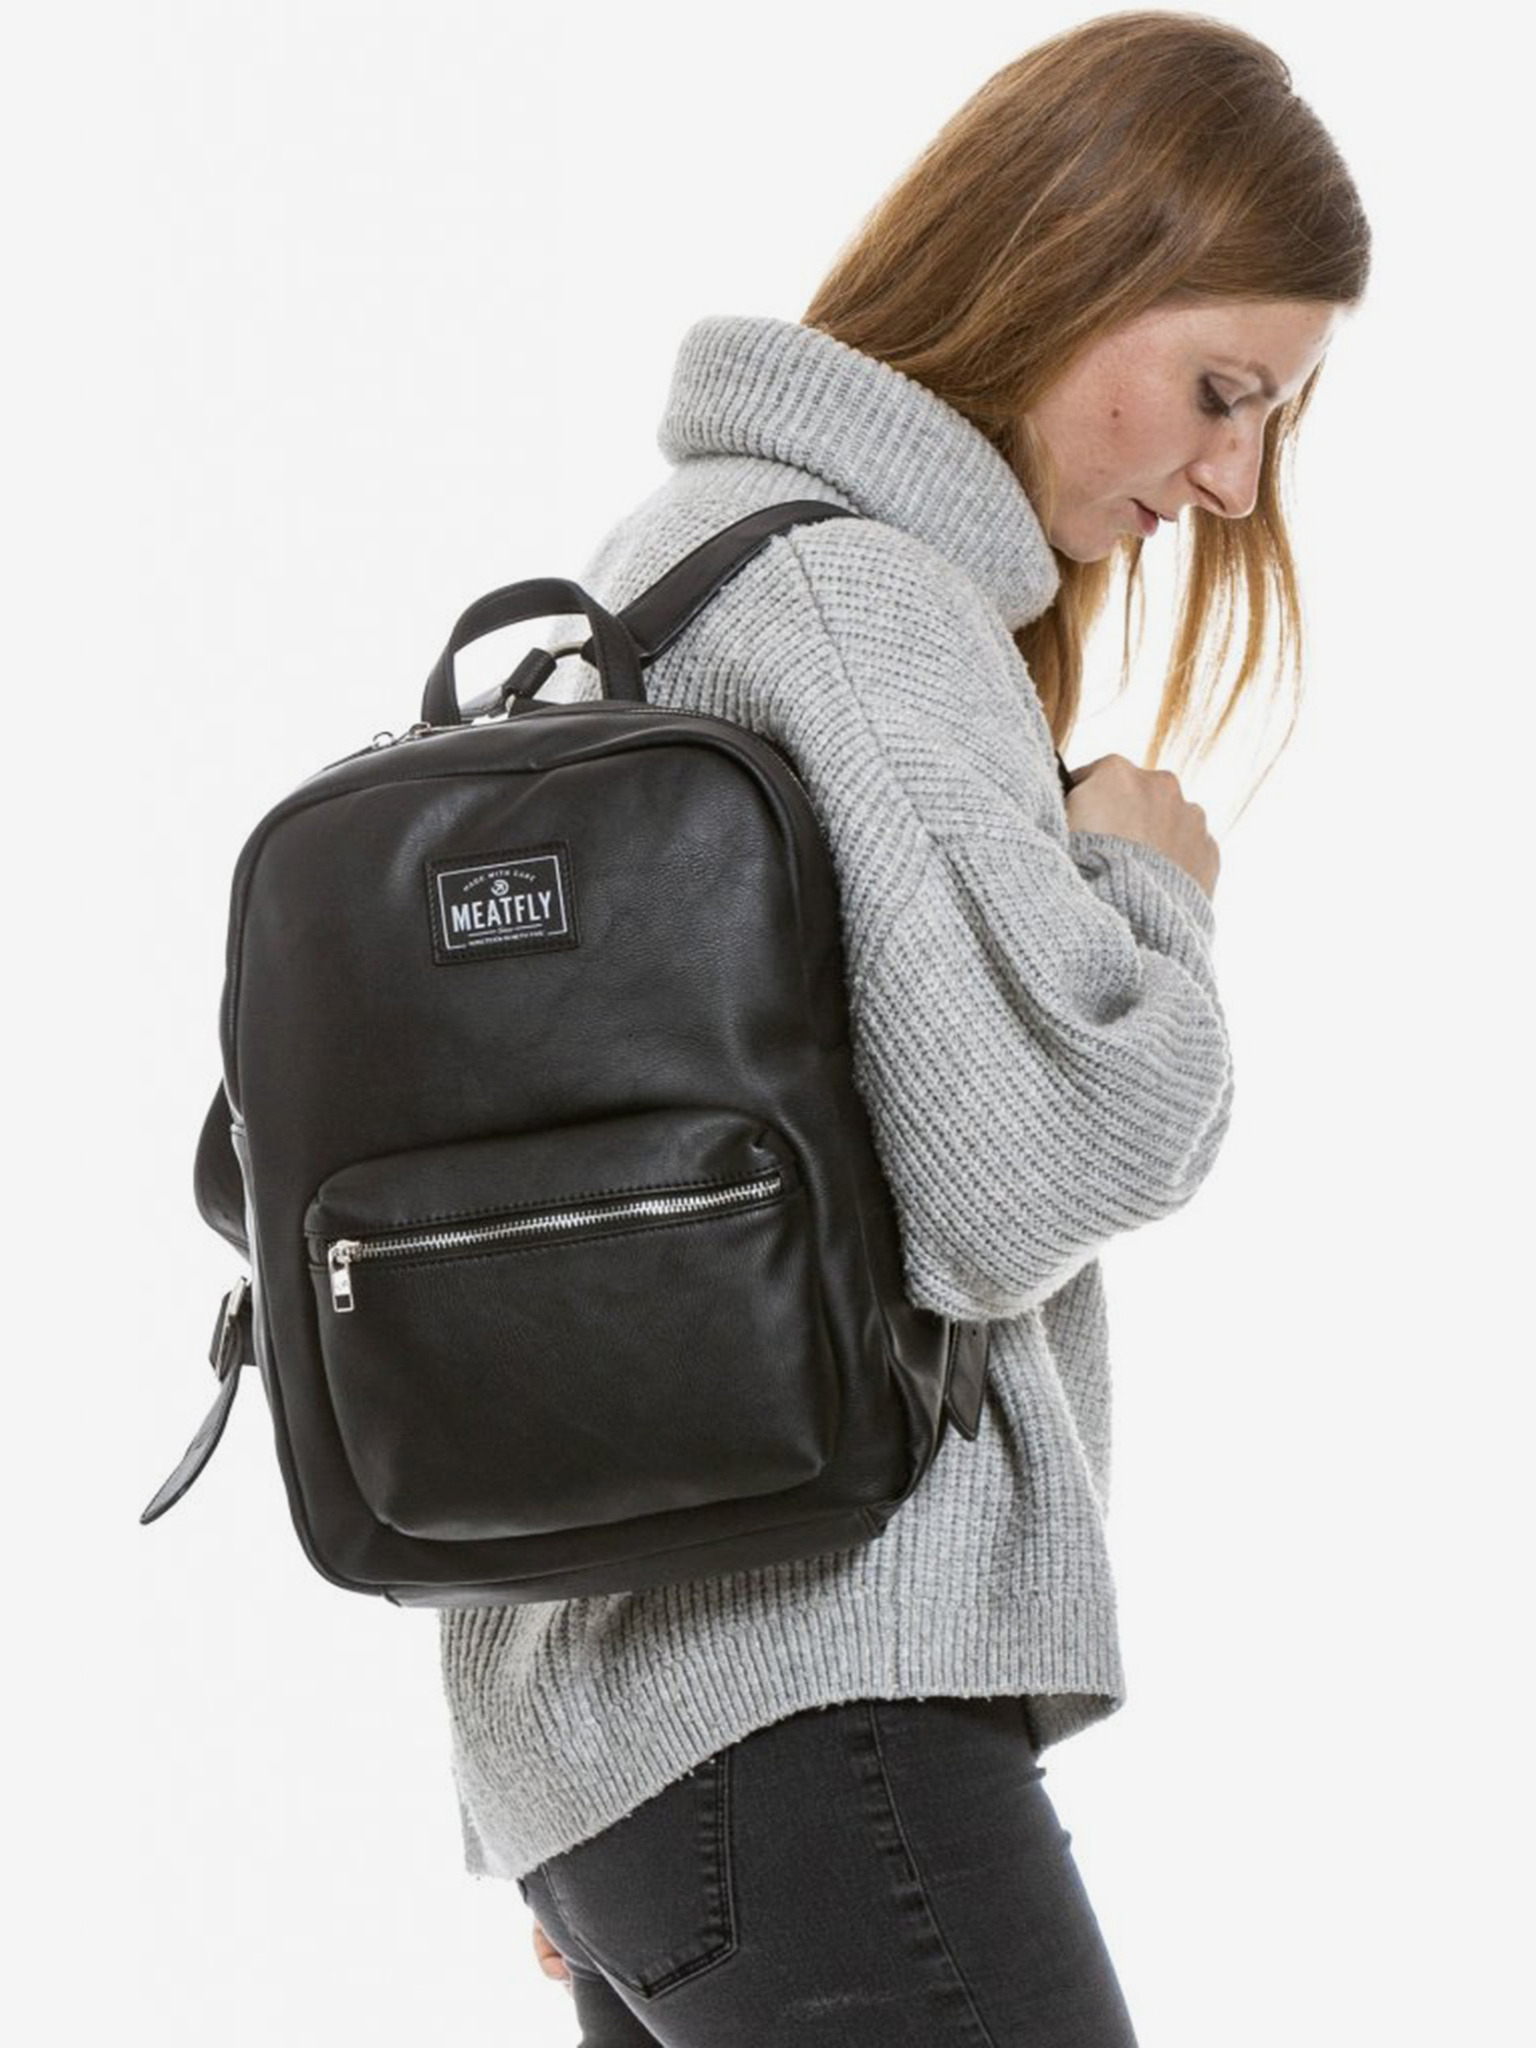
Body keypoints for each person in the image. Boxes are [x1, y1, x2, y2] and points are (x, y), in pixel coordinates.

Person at [438, 12, 1371, 2042]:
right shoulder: (856, 605)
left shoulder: (669, 559)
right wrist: (1149, 890)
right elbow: (1014, 1175)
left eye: (1273, 423)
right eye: (1221, 393)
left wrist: (591, 1802)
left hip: (638, 1760)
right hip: (812, 1710)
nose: (1233, 480)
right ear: (1072, 260)